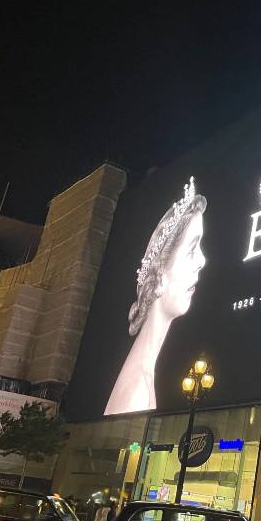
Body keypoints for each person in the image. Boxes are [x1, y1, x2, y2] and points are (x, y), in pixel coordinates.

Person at [105, 178, 208, 415]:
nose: (201, 261)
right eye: (192, 249)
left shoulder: (141, 377)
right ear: (160, 277)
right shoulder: (137, 393)